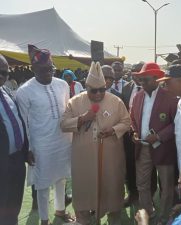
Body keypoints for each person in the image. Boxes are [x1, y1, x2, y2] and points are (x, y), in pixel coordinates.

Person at [60, 61, 130, 225]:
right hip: (84, 158)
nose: (99, 94)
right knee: (84, 192)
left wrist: (113, 130)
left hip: (110, 156)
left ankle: (114, 218)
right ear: (86, 86)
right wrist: (83, 118)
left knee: (112, 188)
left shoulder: (116, 101)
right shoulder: (75, 102)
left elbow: (126, 122)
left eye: (102, 90)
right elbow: (63, 125)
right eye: (94, 90)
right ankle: (84, 219)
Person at [16, 45, 73, 225]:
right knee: (42, 183)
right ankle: (44, 219)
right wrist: (28, 148)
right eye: (43, 70)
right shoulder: (24, 91)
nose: (48, 73)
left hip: (63, 140)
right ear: (33, 69)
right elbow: (23, 123)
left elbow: (66, 112)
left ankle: (60, 210)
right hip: (40, 144)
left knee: (61, 177)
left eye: (50, 68)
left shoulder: (62, 85)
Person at [131, 62, 178, 224]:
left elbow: (176, 123)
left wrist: (159, 136)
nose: (142, 83)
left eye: (145, 80)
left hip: (164, 149)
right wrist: (135, 133)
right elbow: (133, 120)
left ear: (157, 79)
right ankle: (147, 214)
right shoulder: (138, 97)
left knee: (166, 186)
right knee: (141, 184)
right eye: (140, 80)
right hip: (143, 148)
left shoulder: (170, 97)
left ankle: (164, 217)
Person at [0, 54, 28, 225]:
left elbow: (18, 122)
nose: (1, 76)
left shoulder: (7, 92)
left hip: (16, 160)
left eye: (4, 72)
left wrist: (25, 151)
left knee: (13, 205)